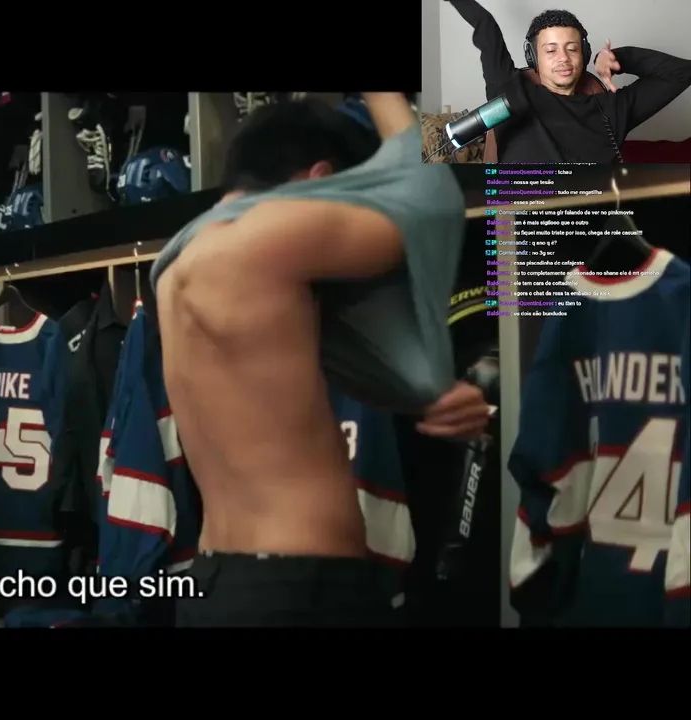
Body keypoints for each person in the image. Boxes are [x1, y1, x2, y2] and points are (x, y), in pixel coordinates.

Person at [151, 93, 491, 627]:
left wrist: (423, 394)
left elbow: (295, 380)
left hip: (217, 581)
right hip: (299, 587)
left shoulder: (178, 264)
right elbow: (430, 195)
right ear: (321, 179)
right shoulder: (264, 238)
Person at [448, 1, 691, 162]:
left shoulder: (612, 109)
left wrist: (619, 59)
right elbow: (485, 24)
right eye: (551, 50)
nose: (563, 57)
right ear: (534, 58)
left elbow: (682, 73)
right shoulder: (510, 93)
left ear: (584, 54)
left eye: (572, 49)